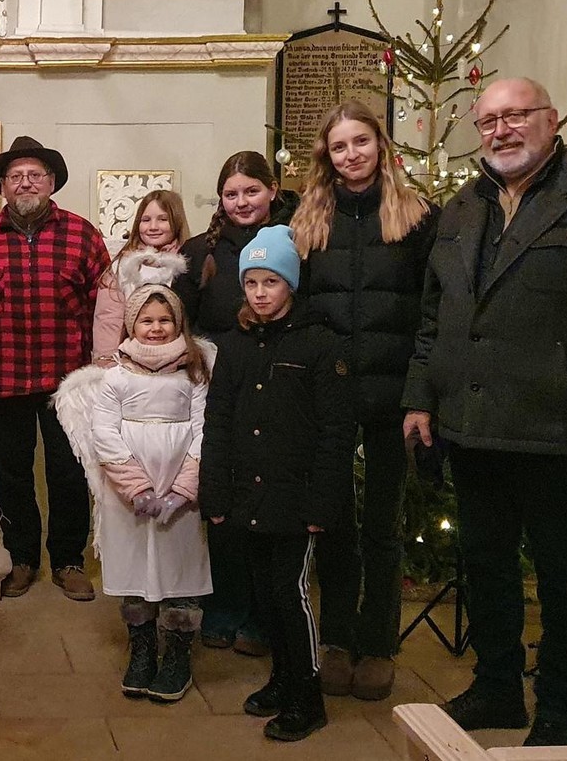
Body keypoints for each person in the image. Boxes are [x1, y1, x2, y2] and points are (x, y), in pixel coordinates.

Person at [402, 77, 567, 748]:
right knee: (485, 565)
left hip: (555, 427)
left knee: (562, 576)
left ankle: (557, 709)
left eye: (516, 116)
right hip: (471, 425)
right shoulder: (462, 209)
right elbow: (434, 318)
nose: (501, 130)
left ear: (551, 121)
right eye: (488, 120)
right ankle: (497, 688)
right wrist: (420, 397)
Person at [290, 102, 438, 701]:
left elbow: (431, 312)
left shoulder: (416, 216)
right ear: (327, 155)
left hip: (392, 393)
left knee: (382, 525)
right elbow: (300, 309)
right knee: (332, 522)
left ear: (380, 144)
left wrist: (421, 391)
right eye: (339, 146)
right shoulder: (309, 219)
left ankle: (378, 644)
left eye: (360, 142)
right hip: (329, 395)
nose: (351, 154)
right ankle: (337, 639)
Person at [200, 224, 356, 742]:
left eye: (271, 282)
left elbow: (336, 432)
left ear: (290, 283)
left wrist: (323, 503)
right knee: (264, 594)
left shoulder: (319, 344)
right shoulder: (236, 345)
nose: (260, 293)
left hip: (297, 496)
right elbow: (218, 420)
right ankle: (282, 678)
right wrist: (215, 490)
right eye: (251, 283)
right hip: (248, 492)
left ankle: (307, 695)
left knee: (291, 595)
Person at [0, 135, 110, 601]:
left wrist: (104, 373)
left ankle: (69, 560)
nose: (25, 183)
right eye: (15, 176)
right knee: (11, 474)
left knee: (69, 474)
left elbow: (107, 310)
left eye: (35, 175)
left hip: (69, 385)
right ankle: (21, 559)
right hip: (5, 381)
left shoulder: (83, 235)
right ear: (2, 186)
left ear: (51, 182)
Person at [58, 281, 213, 703]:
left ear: (178, 324)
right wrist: (137, 488)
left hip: (179, 491)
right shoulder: (116, 377)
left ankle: (177, 654)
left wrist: (183, 489)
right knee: (136, 569)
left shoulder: (194, 373)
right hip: (130, 493)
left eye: (165, 320)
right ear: (131, 325)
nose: (156, 328)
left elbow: (205, 431)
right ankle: (142, 649)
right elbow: (104, 433)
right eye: (147, 320)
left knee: (179, 568)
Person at [172, 151, 289, 657]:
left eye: (251, 191)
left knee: (265, 500)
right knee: (220, 497)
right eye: (231, 193)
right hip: (218, 388)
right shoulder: (200, 250)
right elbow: (180, 318)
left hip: (277, 384)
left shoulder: (294, 240)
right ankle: (223, 606)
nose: (241, 202)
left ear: (272, 190)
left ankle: (263, 615)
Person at [93, 189, 190, 364]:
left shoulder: (187, 264)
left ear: (176, 221)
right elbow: (108, 318)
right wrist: (106, 361)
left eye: (162, 219)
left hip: (178, 361)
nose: (153, 227)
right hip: (130, 361)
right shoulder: (122, 267)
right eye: (146, 220)